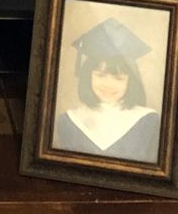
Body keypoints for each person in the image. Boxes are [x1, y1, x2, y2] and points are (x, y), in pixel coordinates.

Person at [52, 14, 161, 163]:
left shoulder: (148, 121)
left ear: (131, 82)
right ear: (87, 76)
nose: (108, 85)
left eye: (119, 78)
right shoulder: (69, 121)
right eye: (100, 75)